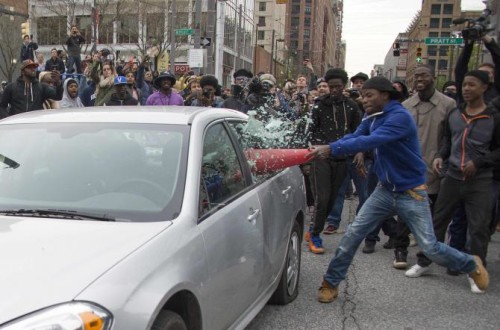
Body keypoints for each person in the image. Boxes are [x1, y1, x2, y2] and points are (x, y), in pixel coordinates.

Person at [306, 76, 490, 303]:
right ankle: (330, 283)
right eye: (363, 96)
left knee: (429, 247)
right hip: (385, 190)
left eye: (369, 95)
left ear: (386, 95)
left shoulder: (399, 117)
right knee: (353, 235)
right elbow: (356, 136)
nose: (364, 100)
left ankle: (471, 263)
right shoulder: (371, 115)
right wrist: (329, 146)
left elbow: (371, 141)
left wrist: (331, 148)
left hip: (411, 192)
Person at [405, 70, 500, 293]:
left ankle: (476, 271)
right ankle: (424, 261)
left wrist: (479, 162)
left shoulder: (494, 117)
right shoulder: (455, 113)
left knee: (478, 228)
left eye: (472, 85)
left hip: (481, 181)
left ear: (485, 88)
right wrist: (440, 156)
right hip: (452, 177)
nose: (466, 89)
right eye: (464, 85)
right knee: (437, 221)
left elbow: (497, 150)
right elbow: (448, 140)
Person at [390, 64, 456, 268]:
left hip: (435, 167)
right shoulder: (407, 105)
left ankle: (428, 254)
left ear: (433, 77)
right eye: (416, 75)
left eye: (424, 75)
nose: (419, 79)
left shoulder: (449, 104)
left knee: (435, 215)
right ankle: (400, 249)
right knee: (404, 211)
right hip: (408, 167)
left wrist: (443, 158)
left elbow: (453, 137)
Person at [306, 68, 361, 254]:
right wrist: (314, 150)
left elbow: (357, 132)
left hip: (342, 158)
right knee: (321, 197)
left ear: (344, 86)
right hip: (320, 157)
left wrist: (358, 152)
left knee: (332, 199)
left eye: (338, 86)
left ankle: (315, 229)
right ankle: (314, 234)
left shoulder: (352, 106)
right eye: (331, 87)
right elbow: (310, 131)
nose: (335, 90)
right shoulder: (319, 105)